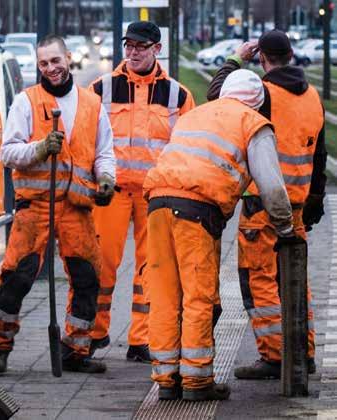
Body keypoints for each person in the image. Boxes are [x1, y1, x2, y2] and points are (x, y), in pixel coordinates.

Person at [143, 69, 296, 401]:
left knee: (165, 294)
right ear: (257, 102)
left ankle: (167, 378)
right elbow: (271, 186)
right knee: (199, 297)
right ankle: (197, 381)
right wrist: (285, 228)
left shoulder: (195, 114)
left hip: (157, 204)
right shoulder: (252, 123)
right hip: (196, 211)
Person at [0, 35, 115, 374]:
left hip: (76, 205)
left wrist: (106, 180)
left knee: (87, 277)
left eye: (55, 61)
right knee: (18, 276)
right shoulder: (26, 102)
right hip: (36, 207)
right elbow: (9, 152)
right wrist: (40, 148)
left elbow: (103, 153)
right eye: (43, 63)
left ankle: (76, 349)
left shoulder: (91, 104)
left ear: (68, 58)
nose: (50, 68)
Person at [207, 29, 326, 379]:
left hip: (263, 204)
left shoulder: (263, 94)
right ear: (291, 56)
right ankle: (303, 352)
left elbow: (218, 98)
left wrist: (234, 59)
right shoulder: (313, 96)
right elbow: (320, 154)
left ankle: (276, 357)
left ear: (262, 58)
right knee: (295, 279)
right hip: (299, 204)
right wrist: (316, 198)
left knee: (260, 279)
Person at [88, 21, 195, 363]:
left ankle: (142, 339)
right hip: (112, 192)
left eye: (140, 47)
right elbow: (84, 139)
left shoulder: (178, 96)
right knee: (101, 263)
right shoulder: (100, 89)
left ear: (156, 49)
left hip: (155, 194)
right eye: (129, 46)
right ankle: (93, 333)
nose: (133, 52)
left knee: (153, 268)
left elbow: (187, 146)